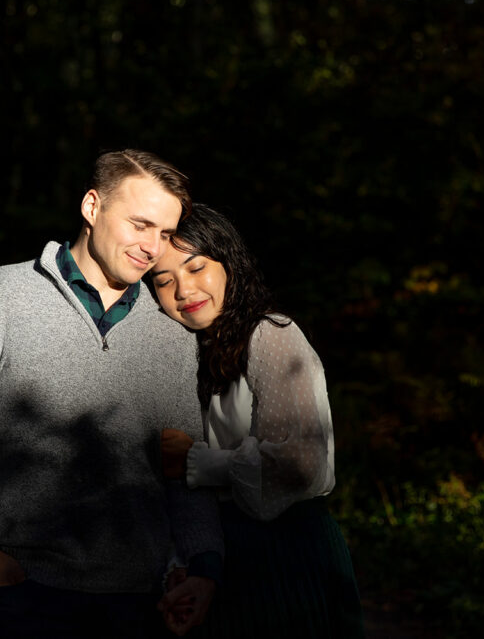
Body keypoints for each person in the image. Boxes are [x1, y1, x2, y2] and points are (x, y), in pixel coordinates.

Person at [0, 150, 224, 639]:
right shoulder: (3, 296)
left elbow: (184, 469)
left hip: (138, 601)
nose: (153, 247)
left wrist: (203, 565)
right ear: (92, 207)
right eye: (140, 224)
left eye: (166, 234)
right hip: (24, 594)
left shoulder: (171, 332)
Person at [150, 204, 365, 638]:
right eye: (163, 280)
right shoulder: (187, 355)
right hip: (223, 559)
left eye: (196, 268)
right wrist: (182, 562)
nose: (182, 289)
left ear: (228, 262)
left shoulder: (271, 334)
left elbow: (301, 462)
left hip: (288, 551)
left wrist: (197, 462)